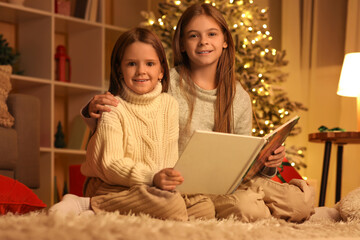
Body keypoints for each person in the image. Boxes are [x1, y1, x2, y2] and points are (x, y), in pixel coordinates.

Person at [76, 4, 315, 222]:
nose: (203, 42)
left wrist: (267, 163)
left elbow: (245, 158)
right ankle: (261, 211)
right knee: (248, 209)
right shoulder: (166, 82)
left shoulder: (238, 96)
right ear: (182, 44)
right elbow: (129, 116)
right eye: (193, 36)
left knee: (299, 204)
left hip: (232, 180)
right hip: (188, 186)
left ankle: (268, 205)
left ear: (224, 41)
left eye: (212, 34)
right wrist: (91, 110)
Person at [49, 27, 189, 221]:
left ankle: (104, 213)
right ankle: (85, 204)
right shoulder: (112, 106)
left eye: (150, 63)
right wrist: (152, 178)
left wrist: (167, 181)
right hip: (115, 186)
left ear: (161, 71)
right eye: (131, 63)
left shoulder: (170, 105)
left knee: (204, 208)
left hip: (153, 187)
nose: (141, 71)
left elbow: (169, 156)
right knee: (172, 207)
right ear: (120, 70)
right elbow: (110, 164)